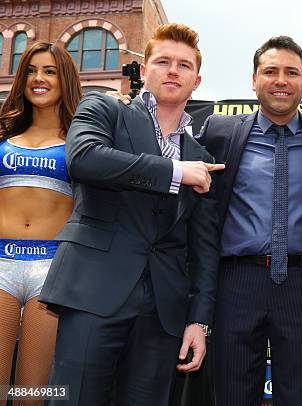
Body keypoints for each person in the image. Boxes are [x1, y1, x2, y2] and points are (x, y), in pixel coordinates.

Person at [39, 23, 223, 406]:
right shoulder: (104, 108)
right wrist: (175, 171)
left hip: (163, 312)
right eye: (163, 61)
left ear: (197, 80)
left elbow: (204, 249)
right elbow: (84, 159)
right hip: (94, 292)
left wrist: (198, 321)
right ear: (145, 69)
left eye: (184, 65)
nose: (173, 71)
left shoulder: (202, 159)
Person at [198, 36, 302, 406]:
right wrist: (131, 108)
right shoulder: (221, 132)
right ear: (253, 80)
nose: (281, 80)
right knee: (231, 396)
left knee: (300, 397)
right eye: (270, 71)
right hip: (235, 283)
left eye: (291, 72)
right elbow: (166, 146)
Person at [0, 42, 81, 405]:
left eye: (49, 71)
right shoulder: (3, 136)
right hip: (1, 264)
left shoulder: (81, 142)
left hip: (50, 271)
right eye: (31, 70)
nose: (39, 78)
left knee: (31, 394)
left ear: (64, 78)